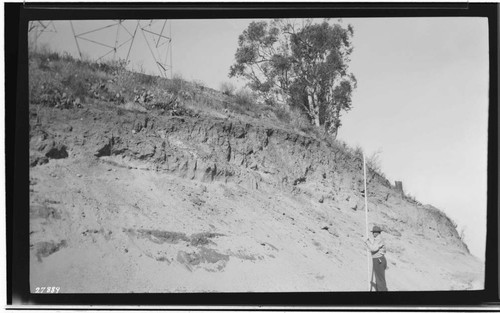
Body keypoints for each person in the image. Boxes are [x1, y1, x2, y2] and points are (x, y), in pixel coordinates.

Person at [364, 225, 388, 291]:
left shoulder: (378, 239)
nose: (373, 233)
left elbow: (373, 248)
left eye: (374, 232)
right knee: (379, 278)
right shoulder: (378, 238)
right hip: (378, 259)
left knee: (380, 279)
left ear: (377, 232)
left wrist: (367, 242)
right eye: (373, 232)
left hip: (378, 260)